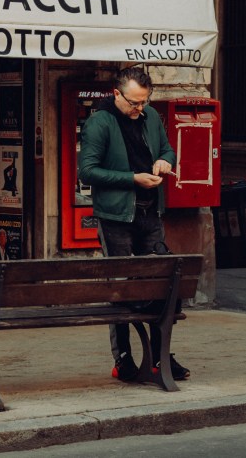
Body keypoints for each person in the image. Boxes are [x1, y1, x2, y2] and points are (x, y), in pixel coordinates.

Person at [77, 67, 189, 383]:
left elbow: (167, 149)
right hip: (116, 218)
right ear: (116, 94)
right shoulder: (100, 123)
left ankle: (159, 357)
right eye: (133, 103)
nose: (139, 109)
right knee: (121, 288)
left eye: (144, 101)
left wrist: (166, 161)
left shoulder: (151, 117)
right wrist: (132, 179)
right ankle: (123, 358)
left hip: (150, 213)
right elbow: (87, 171)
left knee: (159, 284)